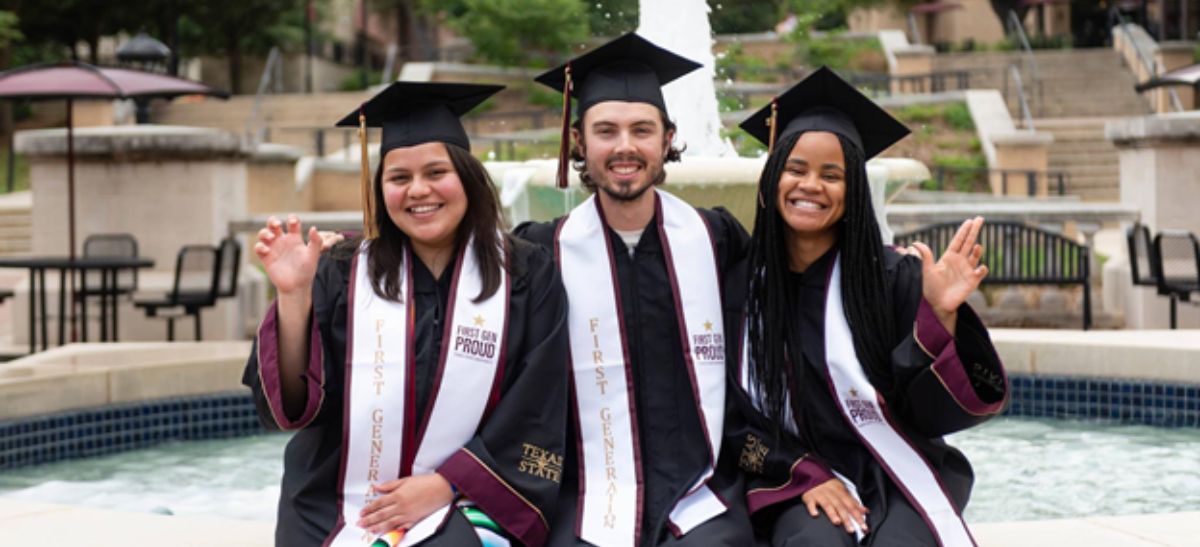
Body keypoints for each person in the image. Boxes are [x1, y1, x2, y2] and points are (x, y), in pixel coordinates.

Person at [242, 82, 570, 547]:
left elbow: (538, 405)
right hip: (334, 503)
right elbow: (293, 408)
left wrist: (447, 483)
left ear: (468, 178)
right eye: (399, 178)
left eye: (437, 172)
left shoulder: (526, 272)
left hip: (471, 499)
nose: (419, 191)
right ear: (380, 188)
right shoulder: (341, 269)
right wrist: (294, 296)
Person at [728, 67, 1009, 547]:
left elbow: (931, 417)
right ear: (773, 177)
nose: (810, 185)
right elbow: (728, 419)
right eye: (796, 169)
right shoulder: (740, 287)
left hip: (891, 471)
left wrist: (938, 318)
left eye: (832, 175)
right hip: (789, 477)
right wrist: (800, 472)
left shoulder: (892, 279)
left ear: (853, 191)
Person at [513, 33, 754, 547]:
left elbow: (787, 309)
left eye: (642, 130)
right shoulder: (539, 254)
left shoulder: (716, 240)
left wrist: (899, 276)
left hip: (703, 489)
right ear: (579, 141)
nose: (625, 146)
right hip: (585, 491)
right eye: (607, 131)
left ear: (667, 139)